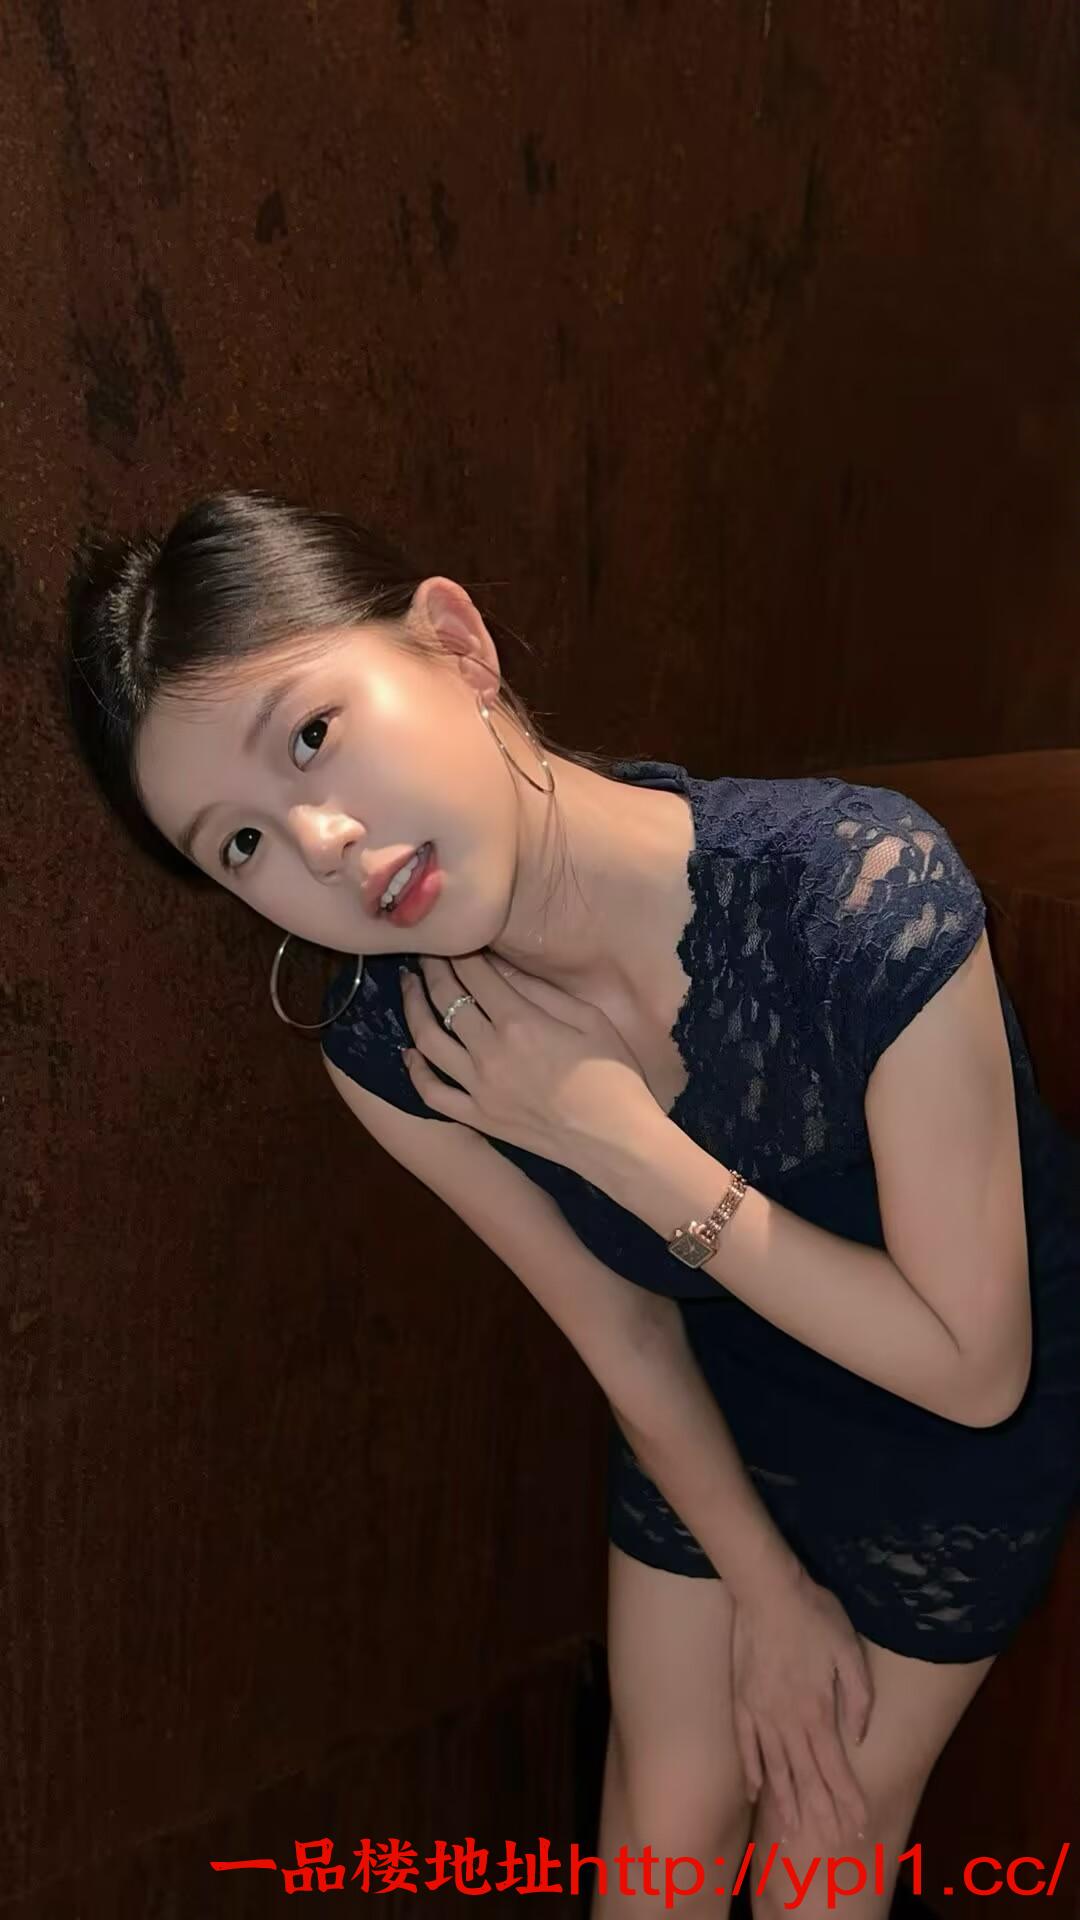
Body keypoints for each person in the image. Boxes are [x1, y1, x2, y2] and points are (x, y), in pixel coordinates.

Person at [63, 488, 1080, 1918]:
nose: (321, 842)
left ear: (455, 644)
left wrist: (612, 1136)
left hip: (950, 1422)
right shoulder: (393, 1045)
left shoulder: (855, 886)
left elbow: (974, 1369)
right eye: (239, 845)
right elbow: (627, 1333)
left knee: (820, 1863)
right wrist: (765, 1591)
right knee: (660, 1845)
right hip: (713, 1399)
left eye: (310, 735)